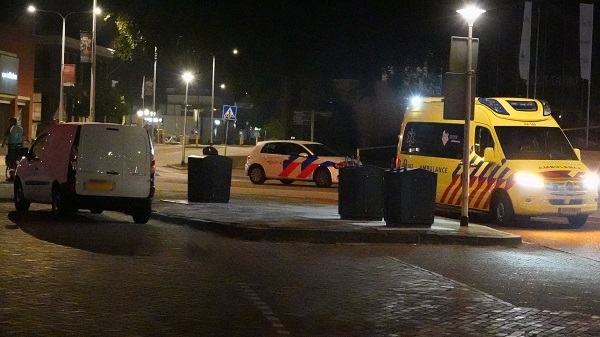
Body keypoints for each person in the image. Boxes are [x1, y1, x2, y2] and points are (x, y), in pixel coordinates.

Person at [2, 117, 23, 181]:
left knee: (11, 161)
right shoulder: (21, 128)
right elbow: (23, 138)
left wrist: (3, 145)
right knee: (18, 161)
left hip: (12, 147)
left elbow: (6, 137)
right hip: (19, 146)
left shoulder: (10, 128)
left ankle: (12, 176)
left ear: (11, 122)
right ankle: (17, 175)